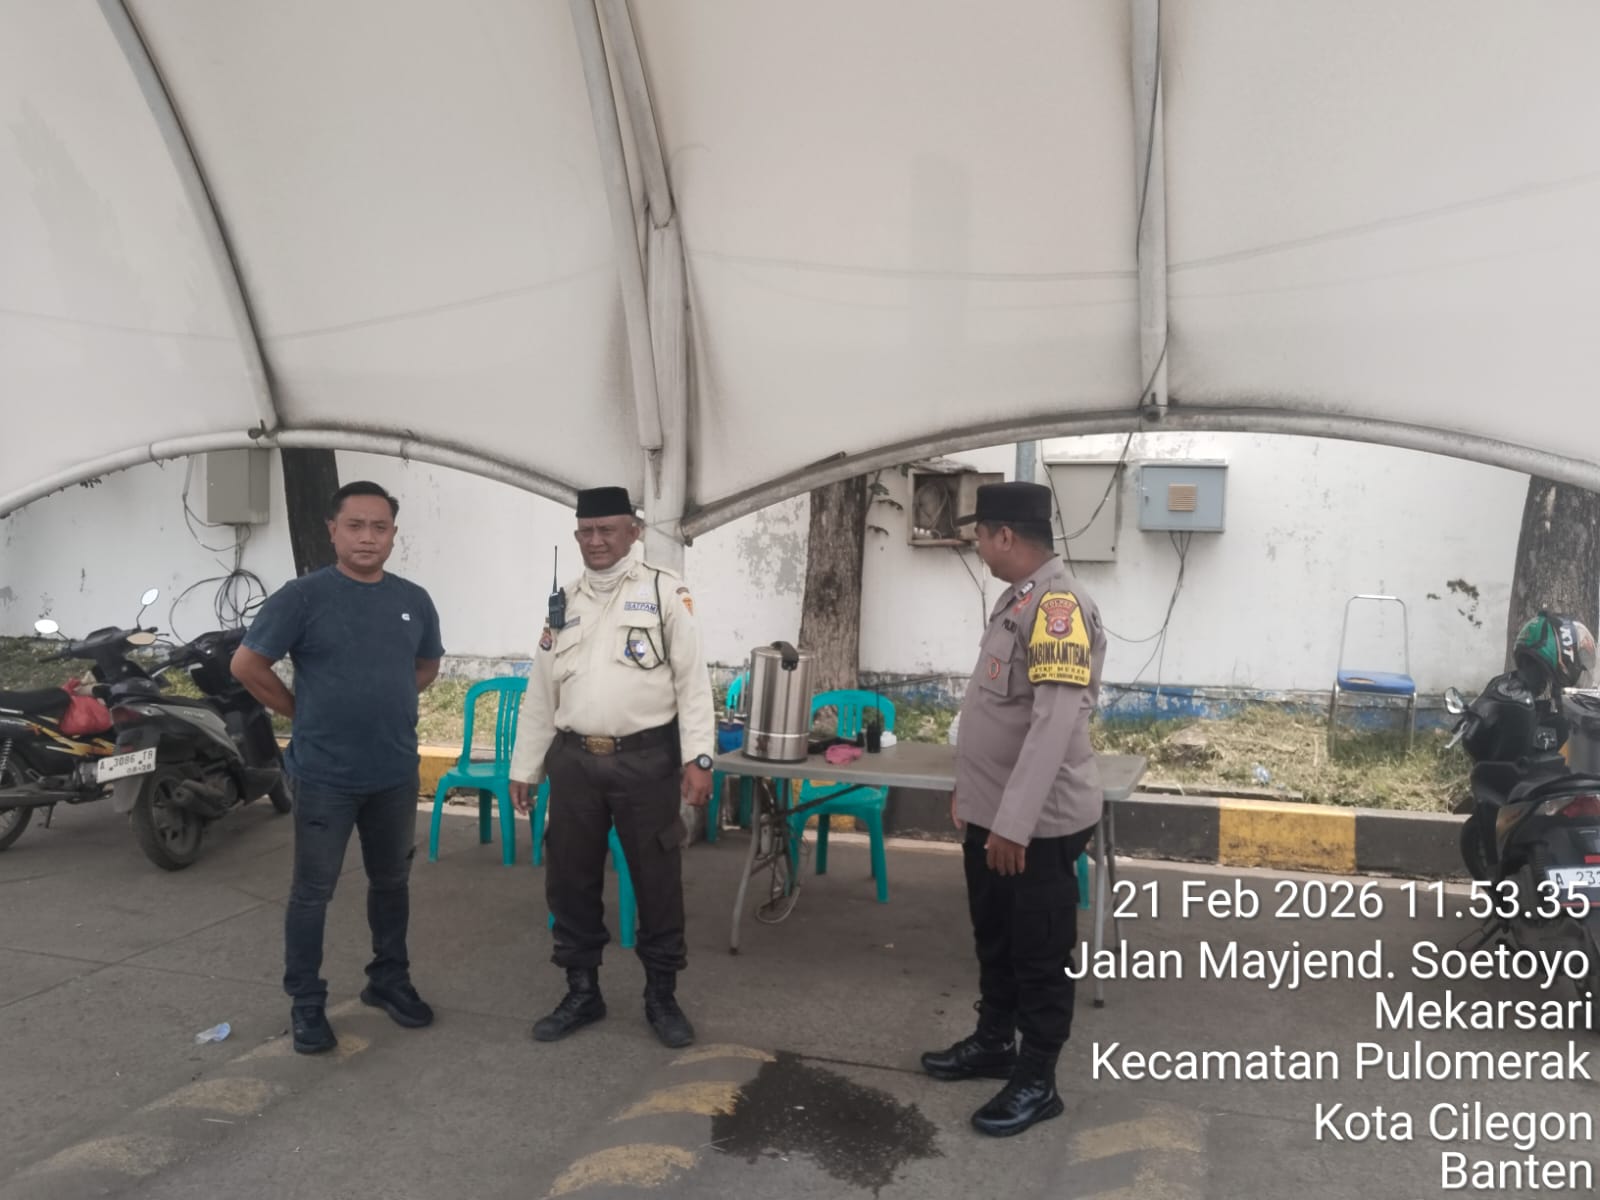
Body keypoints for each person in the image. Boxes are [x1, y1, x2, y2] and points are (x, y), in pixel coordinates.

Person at [920, 481, 1107, 1137]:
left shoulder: (1057, 608)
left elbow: (1053, 725)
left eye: (980, 535)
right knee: (995, 937)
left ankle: (1037, 1079)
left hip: (1036, 825)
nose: (977, 546)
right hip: (994, 813)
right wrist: (972, 796)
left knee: (1038, 952)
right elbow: (997, 711)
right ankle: (994, 1041)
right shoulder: (1018, 598)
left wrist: (1012, 824)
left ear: (1005, 535)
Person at [230, 480, 444, 1055]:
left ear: (393, 535)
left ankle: (389, 979)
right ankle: (306, 1002)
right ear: (333, 531)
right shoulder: (303, 597)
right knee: (312, 893)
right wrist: (302, 712)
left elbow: (427, 665)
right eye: (355, 525)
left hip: (394, 771)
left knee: (392, 883)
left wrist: (389, 697)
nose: (368, 537)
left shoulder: (413, 599)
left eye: (380, 527)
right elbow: (247, 665)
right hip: (325, 775)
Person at [509, 486, 715, 1049]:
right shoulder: (564, 602)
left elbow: (693, 683)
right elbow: (541, 691)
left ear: (634, 533)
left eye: (607, 530)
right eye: (587, 531)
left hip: (645, 761)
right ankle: (582, 991)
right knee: (569, 878)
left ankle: (661, 996)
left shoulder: (665, 592)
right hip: (575, 761)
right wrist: (526, 766)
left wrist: (699, 759)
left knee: (656, 880)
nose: (596, 541)